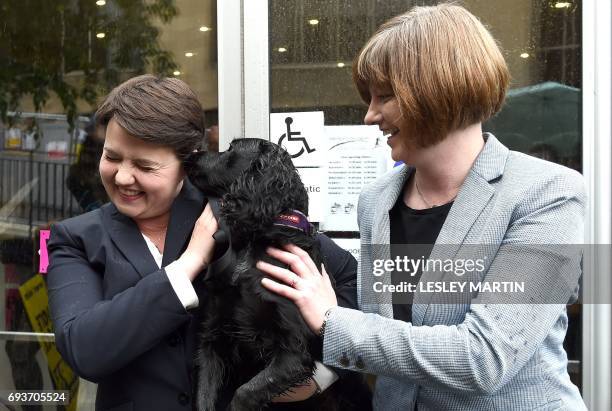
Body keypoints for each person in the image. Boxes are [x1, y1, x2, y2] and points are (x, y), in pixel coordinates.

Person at [258, 4, 587, 410]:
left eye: (385, 97)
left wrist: (331, 320)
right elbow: (380, 328)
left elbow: (484, 359)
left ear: (436, 90)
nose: (369, 115)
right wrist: (322, 373)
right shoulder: (376, 201)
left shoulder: (546, 194)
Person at [47, 75, 361, 410]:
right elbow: (84, 350)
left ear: (188, 161)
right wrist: (188, 264)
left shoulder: (234, 213)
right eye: (112, 157)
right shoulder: (75, 239)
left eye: (144, 165)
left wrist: (321, 376)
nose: (123, 176)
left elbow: (348, 277)